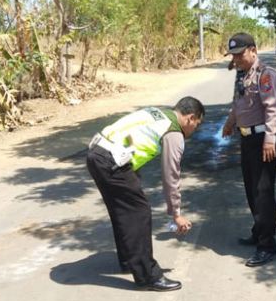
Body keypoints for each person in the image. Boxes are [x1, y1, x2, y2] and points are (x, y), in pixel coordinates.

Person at [86, 96, 204, 291]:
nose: (194, 130)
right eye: (196, 125)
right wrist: (176, 214)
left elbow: (132, 140)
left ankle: (129, 261)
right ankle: (147, 276)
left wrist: (133, 175)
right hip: (111, 162)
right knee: (139, 213)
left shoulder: (157, 113)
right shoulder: (174, 132)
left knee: (122, 210)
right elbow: (171, 175)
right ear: (190, 118)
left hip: (97, 154)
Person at [222, 32, 276, 267]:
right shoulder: (241, 74)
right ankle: (259, 231)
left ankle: (267, 246)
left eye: (240, 54)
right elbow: (238, 104)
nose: (236, 59)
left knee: (263, 192)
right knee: (251, 189)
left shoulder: (266, 75)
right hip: (247, 139)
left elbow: (272, 108)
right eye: (233, 56)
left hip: (263, 141)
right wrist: (229, 123)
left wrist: (270, 139)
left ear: (253, 50)